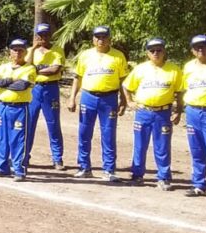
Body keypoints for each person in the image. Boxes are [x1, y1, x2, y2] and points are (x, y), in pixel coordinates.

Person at [67, 26, 128, 182]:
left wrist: (124, 100)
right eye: (98, 37)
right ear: (93, 39)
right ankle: (84, 167)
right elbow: (78, 77)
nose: (101, 40)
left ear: (109, 39)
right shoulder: (86, 55)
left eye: (104, 37)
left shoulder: (118, 56)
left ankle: (108, 170)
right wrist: (72, 97)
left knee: (108, 134)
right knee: (84, 133)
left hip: (109, 99)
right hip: (88, 97)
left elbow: (123, 81)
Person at [121, 38, 183, 190]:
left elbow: (180, 93)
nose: (156, 53)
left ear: (164, 51)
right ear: (147, 53)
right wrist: (129, 102)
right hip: (143, 112)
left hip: (163, 113)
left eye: (159, 50)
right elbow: (126, 86)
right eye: (152, 50)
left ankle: (163, 177)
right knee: (140, 145)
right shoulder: (140, 69)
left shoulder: (174, 70)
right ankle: (137, 175)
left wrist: (178, 111)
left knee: (162, 146)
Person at [0, 39, 37, 181]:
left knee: (18, 139)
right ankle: (2, 167)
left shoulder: (30, 68)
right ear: (10, 52)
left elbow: (22, 86)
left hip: (19, 108)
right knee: (2, 138)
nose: (17, 52)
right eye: (15, 49)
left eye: (21, 49)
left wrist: (3, 83)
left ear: (26, 52)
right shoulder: (4, 67)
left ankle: (19, 170)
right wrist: (10, 80)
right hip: (3, 106)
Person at [24, 23, 66, 170]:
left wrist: (36, 71)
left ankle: (57, 158)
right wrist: (34, 49)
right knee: (28, 124)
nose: (44, 38)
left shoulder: (57, 50)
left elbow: (55, 69)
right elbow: (26, 66)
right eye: (41, 35)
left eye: (46, 35)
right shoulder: (30, 51)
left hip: (51, 89)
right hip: (34, 89)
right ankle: (24, 156)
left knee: (53, 124)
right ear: (36, 36)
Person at [182, 34, 206, 197]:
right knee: (197, 150)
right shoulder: (188, 67)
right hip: (192, 111)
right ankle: (198, 184)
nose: (201, 49)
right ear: (193, 51)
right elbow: (186, 88)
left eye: (204, 46)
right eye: (197, 47)